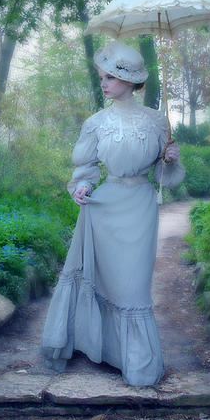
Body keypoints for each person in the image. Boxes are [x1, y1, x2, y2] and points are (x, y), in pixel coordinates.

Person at [41, 40, 185, 386]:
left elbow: (166, 180)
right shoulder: (95, 123)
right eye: (102, 77)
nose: (104, 83)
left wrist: (170, 159)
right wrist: (82, 187)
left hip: (140, 208)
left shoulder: (156, 122)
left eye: (111, 78)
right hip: (103, 208)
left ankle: (136, 362)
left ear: (130, 81)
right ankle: (98, 347)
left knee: (133, 286)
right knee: (102, 278)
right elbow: (86, 169)